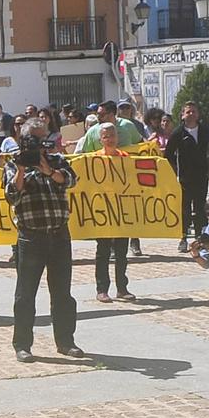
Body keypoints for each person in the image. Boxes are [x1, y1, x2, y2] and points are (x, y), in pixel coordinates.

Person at [2, 133, 83, 361]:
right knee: (25, 294)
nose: (36, 153)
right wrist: (21, 170)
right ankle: (22, 345)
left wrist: (47, 170)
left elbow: (70, 180)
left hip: (59, 235)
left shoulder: (57, 161)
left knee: (62, 293)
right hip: (31, 237)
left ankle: (66, 342)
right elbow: (12, 196)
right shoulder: (13, 164)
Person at [84, 125, 136, 302]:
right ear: (101, 140)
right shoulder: (94, 159)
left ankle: (122, 288)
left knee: (122, 252)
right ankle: (102, 289)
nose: (110, 139)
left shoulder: (125, 158)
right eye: (106, 136)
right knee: (103, 251)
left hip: (122, 211)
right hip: (103, 212)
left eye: (112, 135)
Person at [167, 102, 209, 247]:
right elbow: (169, 154)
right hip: (185, 178)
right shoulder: (178, 133)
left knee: (200, 207)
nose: (191, 114)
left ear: (198, 114)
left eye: (194, 111)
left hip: (202, 176)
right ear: (182, 115)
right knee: (184, 208)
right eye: (188, 112)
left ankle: (199, 236)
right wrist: (175, 171)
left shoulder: (205, 130)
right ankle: (183, 236)